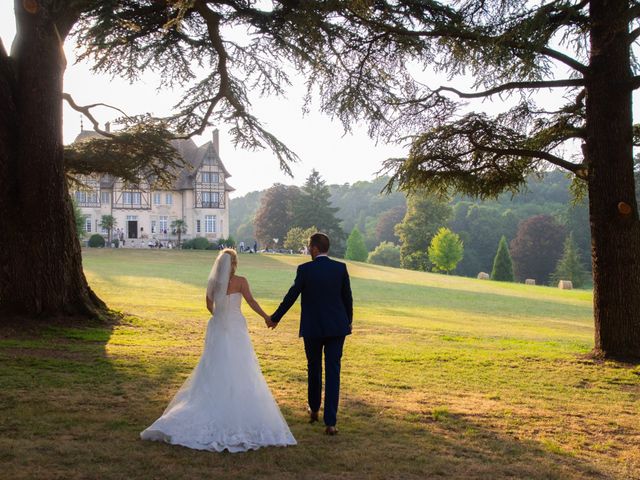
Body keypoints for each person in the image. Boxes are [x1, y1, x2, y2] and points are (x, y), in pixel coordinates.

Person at [140, 249, 296, 452]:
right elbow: (251, 302)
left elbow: (208, 304)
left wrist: (220, 316)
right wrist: (267, 317)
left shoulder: (214, 282)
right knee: (241, 365)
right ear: (234, 263)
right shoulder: (241, 281)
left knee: (215, 364)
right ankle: (237, 405)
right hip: (236, 326)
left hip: (219, 325)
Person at [269, 232, 353, 435]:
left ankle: (314, 410)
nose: (308, 250)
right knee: (333, 372)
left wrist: (276, 317)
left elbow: (292, 295)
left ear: (315, 248)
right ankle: (330, 422)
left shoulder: (305, 270)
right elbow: (347, 298)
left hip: (313, 327)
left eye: (309, 247)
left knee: (314, 368)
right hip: (336, 327)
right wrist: (348, 323)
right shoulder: (340, 268)